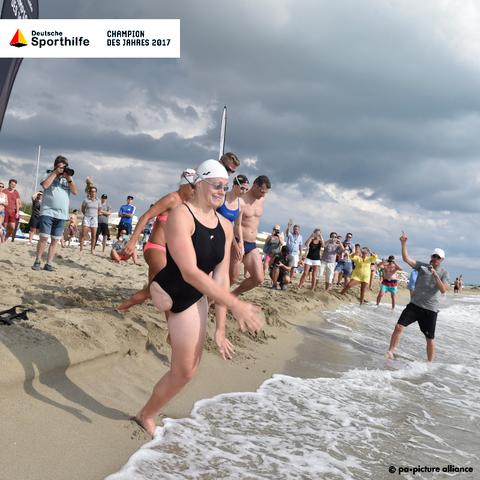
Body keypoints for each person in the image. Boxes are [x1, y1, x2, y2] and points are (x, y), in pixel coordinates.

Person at [134, 159, 263, 436]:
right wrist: (237, 304)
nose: (221, 191)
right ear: (200, 184)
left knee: (187, 371)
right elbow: (190, 271)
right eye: (216, 185)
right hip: (174, 287)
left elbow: (222, 278)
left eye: (224, 187)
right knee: (182, 364)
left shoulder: (225, 226)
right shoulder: (181, 215)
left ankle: (146, 412)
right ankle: (146, 415)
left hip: (196, 295)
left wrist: (221, 328)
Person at [117, 169, 196, 312]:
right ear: (184, 184)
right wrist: (133, 241)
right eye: (192, 186)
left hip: (171, 253)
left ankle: (122, 308)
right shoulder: (172, 199)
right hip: (156, 248)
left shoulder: (189, 205)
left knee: (152, 290)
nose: (194, 190)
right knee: (167, 287)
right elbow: (146, 216)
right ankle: (172, 325)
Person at [386, 233, 449, 362]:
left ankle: (430, 363)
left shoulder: (444, 273)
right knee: (399, 327)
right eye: (434, 256)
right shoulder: (422, 266)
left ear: (442, 259)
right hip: (414, 305)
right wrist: (403, 243)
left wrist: (435, 275)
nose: (435, 258)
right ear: (431, 257)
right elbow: (406, 259)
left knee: (429, 338)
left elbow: (443, 289)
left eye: (438, 257)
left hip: (430, 309)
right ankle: (390, 352)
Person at [32, 156, 78, 271]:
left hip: (62, 214)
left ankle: (49, 263)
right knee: (44, 237)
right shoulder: (48, 173)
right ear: (55, 166)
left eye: (64, 167)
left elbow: (75, 192)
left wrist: (69, 178)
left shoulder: (67, 179)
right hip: (47, 211)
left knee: (55, 240)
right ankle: (37, 261)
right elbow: (45, 185)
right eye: (60, 167)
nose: (62, 169)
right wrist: (55, 173)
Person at [231, 175, 271, 295]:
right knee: (232, 278)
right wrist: (238, 243)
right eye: (262, 191)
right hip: (238, 241)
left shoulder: (262, 200)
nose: (263, 195)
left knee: (258, 278)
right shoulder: (241, 199)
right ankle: (210, 301)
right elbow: (235, 224)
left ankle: (232, 296)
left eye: (265, 193)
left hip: (252, 244)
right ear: (255, 185)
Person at [217, 174, 249, 282]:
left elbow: (238, 225)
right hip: (215, 236)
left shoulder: (241, 204)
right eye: (242, 188)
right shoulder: (222, 197)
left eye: (246, 189)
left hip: (228, 238)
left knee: (233, 276)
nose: (244, 192)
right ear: (235, 185)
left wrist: (241, 243)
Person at [80, 185, 99, 254]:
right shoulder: (86, 200)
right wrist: (86, 214)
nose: (93, 193)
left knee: (94, 235)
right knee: (83, 234)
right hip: (87, 217)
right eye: (92, 191)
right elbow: (82, 208)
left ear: (96, 192)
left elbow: (100, 209)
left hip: (94, 218)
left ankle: (92, 250)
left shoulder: (98, 201)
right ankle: (81, 249)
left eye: (94, 191)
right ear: (90, 192)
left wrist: (95, 215)